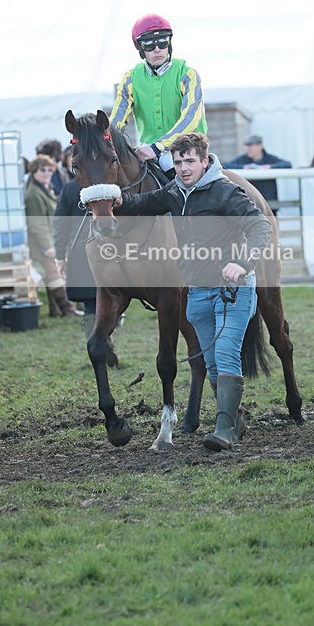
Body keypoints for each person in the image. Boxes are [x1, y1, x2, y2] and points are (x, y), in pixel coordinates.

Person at [114, 132, 271, 452]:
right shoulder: (175, 191)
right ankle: (235, 419)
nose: (184, 168)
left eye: (189, 161)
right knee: (211, 361)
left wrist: (242, 262)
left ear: (203, 161)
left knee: (226, 353)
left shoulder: (226, 192)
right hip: (198, 292)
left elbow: (260, 227)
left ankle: (225, 430)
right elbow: (145, 202)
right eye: (178, 162)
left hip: (233, 289)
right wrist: (119, 200)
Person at [110, 14, 207, 173]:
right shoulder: (130, 80)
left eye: (163, 42)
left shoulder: (188, 75)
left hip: (188, 148)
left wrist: (159, 147)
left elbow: (191, 118)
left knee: (169, 162)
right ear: (140, 49)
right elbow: (115, 121)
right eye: (149, 44)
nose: (157, 49)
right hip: (148, 148)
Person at [54, 179, 118, 365]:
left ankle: (98, 343)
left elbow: (60, 224)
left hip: (82, 248)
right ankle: (103, 341)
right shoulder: (111, 186)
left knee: (92, 304)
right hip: (109, 248)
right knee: (111, 300)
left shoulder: (70, 188)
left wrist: (60, 256)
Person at [24, 155, 77, 317]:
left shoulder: (46, 188)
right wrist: (48, 246)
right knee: (54, 275)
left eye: (49, 170)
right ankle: (67, 310)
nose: (46, 173)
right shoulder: (34, 194)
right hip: (44, 243)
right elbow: (37, 224)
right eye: (42, 170)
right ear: (33, 172)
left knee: (52, 275)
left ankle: (55, 310)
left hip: (52, 240)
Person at [224, 134, 292, 211]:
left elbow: (287, 164)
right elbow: (226, 166)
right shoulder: (242, 160)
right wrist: (244, 167)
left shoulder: (269, 159)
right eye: (247, 146)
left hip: (269, 204)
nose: (248, 149)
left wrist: (270, 167)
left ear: (260, 146)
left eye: (251, 145)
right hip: (250, 203)